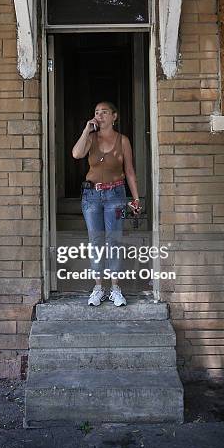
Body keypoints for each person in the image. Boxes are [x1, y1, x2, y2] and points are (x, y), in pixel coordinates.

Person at [72, 101, 142, 307]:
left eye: (104, 112)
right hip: (91, 196)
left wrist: (136, 199)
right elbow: (76, 154)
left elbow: (129, 171)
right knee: (96, 242)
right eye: (96, 112)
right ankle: (98, 288)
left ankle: (115, 289)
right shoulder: (91, 138)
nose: (100, 116)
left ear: (114, 116)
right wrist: (86, 129)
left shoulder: (123, 140)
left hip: (116, 195)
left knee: (114, 242)